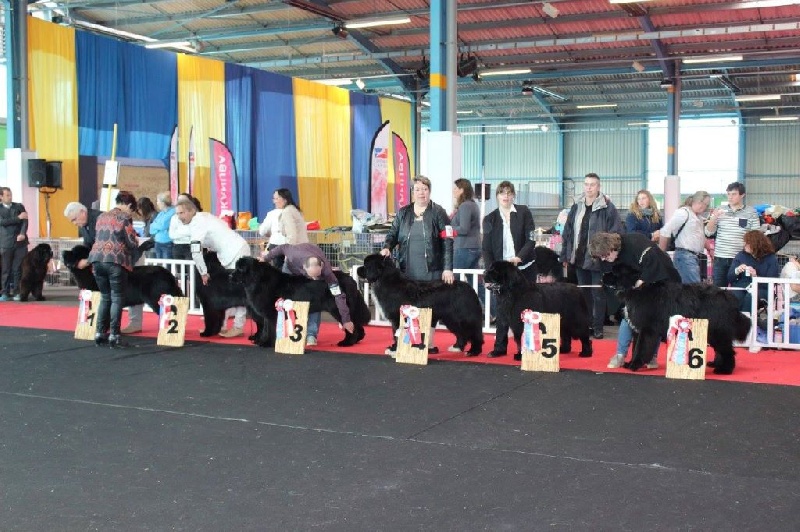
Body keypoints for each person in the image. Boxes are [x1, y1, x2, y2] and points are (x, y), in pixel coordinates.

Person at [380, 175, 454, 354]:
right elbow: (392, 234)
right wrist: (387, 247)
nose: (421, 193)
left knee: (430, 307)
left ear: (430, 191)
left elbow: (448, 240)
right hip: (407, 270)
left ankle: (428, 343)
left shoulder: (439, 212)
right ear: (412, 192)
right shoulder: (403, 212)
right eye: (418, 189)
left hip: (432, 269)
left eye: (425, 189)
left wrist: (447, 268)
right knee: (406, 307)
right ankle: (404, 343)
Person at [589, 232, 682, 369]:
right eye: (601, 257)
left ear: (612, 247)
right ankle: (620, 354)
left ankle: (651, 357)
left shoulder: (636, 243)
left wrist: (641, 281)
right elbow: (611, 275)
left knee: (654, 319)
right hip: (637, 285)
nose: (604, 259)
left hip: (661, 279)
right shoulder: (608, 258)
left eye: (605, 255)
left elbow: (654, 262)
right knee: (628, 316)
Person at [174, 196, 251, 338]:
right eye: (177, 213)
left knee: (239, 291)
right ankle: (221, 326)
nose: (179, 217)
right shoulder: (203, 217)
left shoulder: (198, 223)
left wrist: (203, 272)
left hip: (235, 252)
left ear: (191, 211)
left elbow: (196, 252)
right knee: (227, 291)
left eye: (182, 213)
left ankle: (238, 326)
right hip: (232, 251)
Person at [560, 173, 623, 339]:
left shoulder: (608, 208)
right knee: (583, 293)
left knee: (598, 294)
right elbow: (567, 232)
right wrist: (565, 255)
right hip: (579, 258)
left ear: (598, 187)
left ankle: (598, 327)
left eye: (592, 185)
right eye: (586, 184)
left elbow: (616, 233)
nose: (589, 188)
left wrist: (607, 253)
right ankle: (586, 325)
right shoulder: (576, 207)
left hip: (598, 260)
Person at [481, 181, 537, 358]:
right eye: (502, 193)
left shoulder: (524, 212)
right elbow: (486, 249)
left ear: (514, 195)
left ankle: (525, 347)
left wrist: (519, 257)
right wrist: (490, 273)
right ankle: (500, 346)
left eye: (509, 193)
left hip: (524, 267)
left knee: (526, 308)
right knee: (502, 309)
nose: (506, 196)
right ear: (497, 196)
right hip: (503, 273)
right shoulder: (489, 218)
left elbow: (531, 239)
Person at [261, 242, 354, 346]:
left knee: (315, 300)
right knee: (285, 302)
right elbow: (282, 247)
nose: (314, 279)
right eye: (312, 276)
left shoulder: (328, 273)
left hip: (308, 265)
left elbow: (339, 295)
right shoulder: (293, 254)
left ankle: (311, 334)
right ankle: (287, 332)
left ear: (321, 266)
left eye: (317, 275)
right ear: (304, 267)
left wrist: (346, 320)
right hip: (291, 269)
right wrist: (266, 258)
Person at [89, 191, 139, 348]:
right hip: (115, 261)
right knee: (117, 298)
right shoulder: (124, 218)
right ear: (128, 205)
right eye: (131, 209)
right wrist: (136, 240)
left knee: (105, 297)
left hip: (96, 260)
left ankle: (99, 333)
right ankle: (114, 335)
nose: (130, 213)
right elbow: (131, 242)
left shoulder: (101, 216)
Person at [705, 182, 761, 287]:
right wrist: (714, 217)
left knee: (739, 289)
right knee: (718, 290)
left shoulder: (751, 212)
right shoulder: (719, 209)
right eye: (728, 194)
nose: (730, 197)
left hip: (741, 258)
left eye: (734, 194)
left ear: (742, 195)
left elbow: (756, 235)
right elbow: (708, 232)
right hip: (720, 257)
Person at [658, 191, 711, 284]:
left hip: (694, 257)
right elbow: (665, 231)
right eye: (704, 204)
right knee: (694, 288)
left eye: (707, 205)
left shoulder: (698, 217)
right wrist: (660, 255)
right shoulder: (683, 213)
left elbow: (701, 237)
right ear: (697, 201)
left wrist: (710, 249)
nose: (705, 207)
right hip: (685, 256)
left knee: (692, 288)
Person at [727, 230, 779, 312]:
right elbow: (730, 278)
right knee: (735, 296)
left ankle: (745, 318)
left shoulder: (771, 258)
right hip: (741, 287)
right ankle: (736, 318)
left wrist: (756, 277)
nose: (744, 245)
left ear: (756, 244)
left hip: (762, 289)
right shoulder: (741, 255)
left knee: (751, 296)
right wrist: (737, 271)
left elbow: (772, 282)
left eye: (747, 243)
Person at [258, 188, 308, 270]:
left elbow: (291, 234)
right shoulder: (296, 210)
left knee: (281, 272)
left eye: (277, 198)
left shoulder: (285, 212)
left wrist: (288, 253)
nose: (274, 201)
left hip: (283, 246)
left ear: (285, 199)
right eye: (274, 199)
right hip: (299, 247)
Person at [0, 187, 29, 301]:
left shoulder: (19, 206)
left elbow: (25, 221)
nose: (10, 197)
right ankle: (5, 292)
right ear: (1, 197)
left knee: (18, 268)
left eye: (10, 194)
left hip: (20, 243)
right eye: (7, 195)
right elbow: (2, 222)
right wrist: (17, 218)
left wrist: (22, 233)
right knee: (6, 269)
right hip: (6, 243)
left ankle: (17, 291)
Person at [450, 178, 481, 270]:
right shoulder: (473, 205)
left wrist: (449, 230)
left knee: (454, 276)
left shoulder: (465, 206)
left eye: (455, 188)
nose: (453, 190)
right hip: (474, 247)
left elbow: (463, 229)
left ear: (461, 190)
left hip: (464, 247)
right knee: (473, 277)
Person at [64, 201, 103, 268]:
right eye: (72, 221)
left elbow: (105, 247)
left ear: (82, 212)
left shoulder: (101, 218)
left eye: (74, 219)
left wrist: (87, 261)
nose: (74, 223)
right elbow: (87, 246)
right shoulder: (82, 224)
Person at [169, 193, 202, 260]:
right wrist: (186, 232)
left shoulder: (196, 216)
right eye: (179, 200)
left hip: (191, 246)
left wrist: (179, 231)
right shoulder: (174, 217)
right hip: (177, 246)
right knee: (178, 266)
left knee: (191, 266)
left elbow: (194, 232)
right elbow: (172, 235)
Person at [148, 192, 176, 259]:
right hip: (158, 242)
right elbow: (151, 229)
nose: (157, 203)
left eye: (158, 201)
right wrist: (157, 225)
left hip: (167, 243)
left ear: (163, 203)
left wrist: (156, 225)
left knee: (167, 264)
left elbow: (162, 225)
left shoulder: (173, 212)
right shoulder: (161, 213)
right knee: (159, 264)